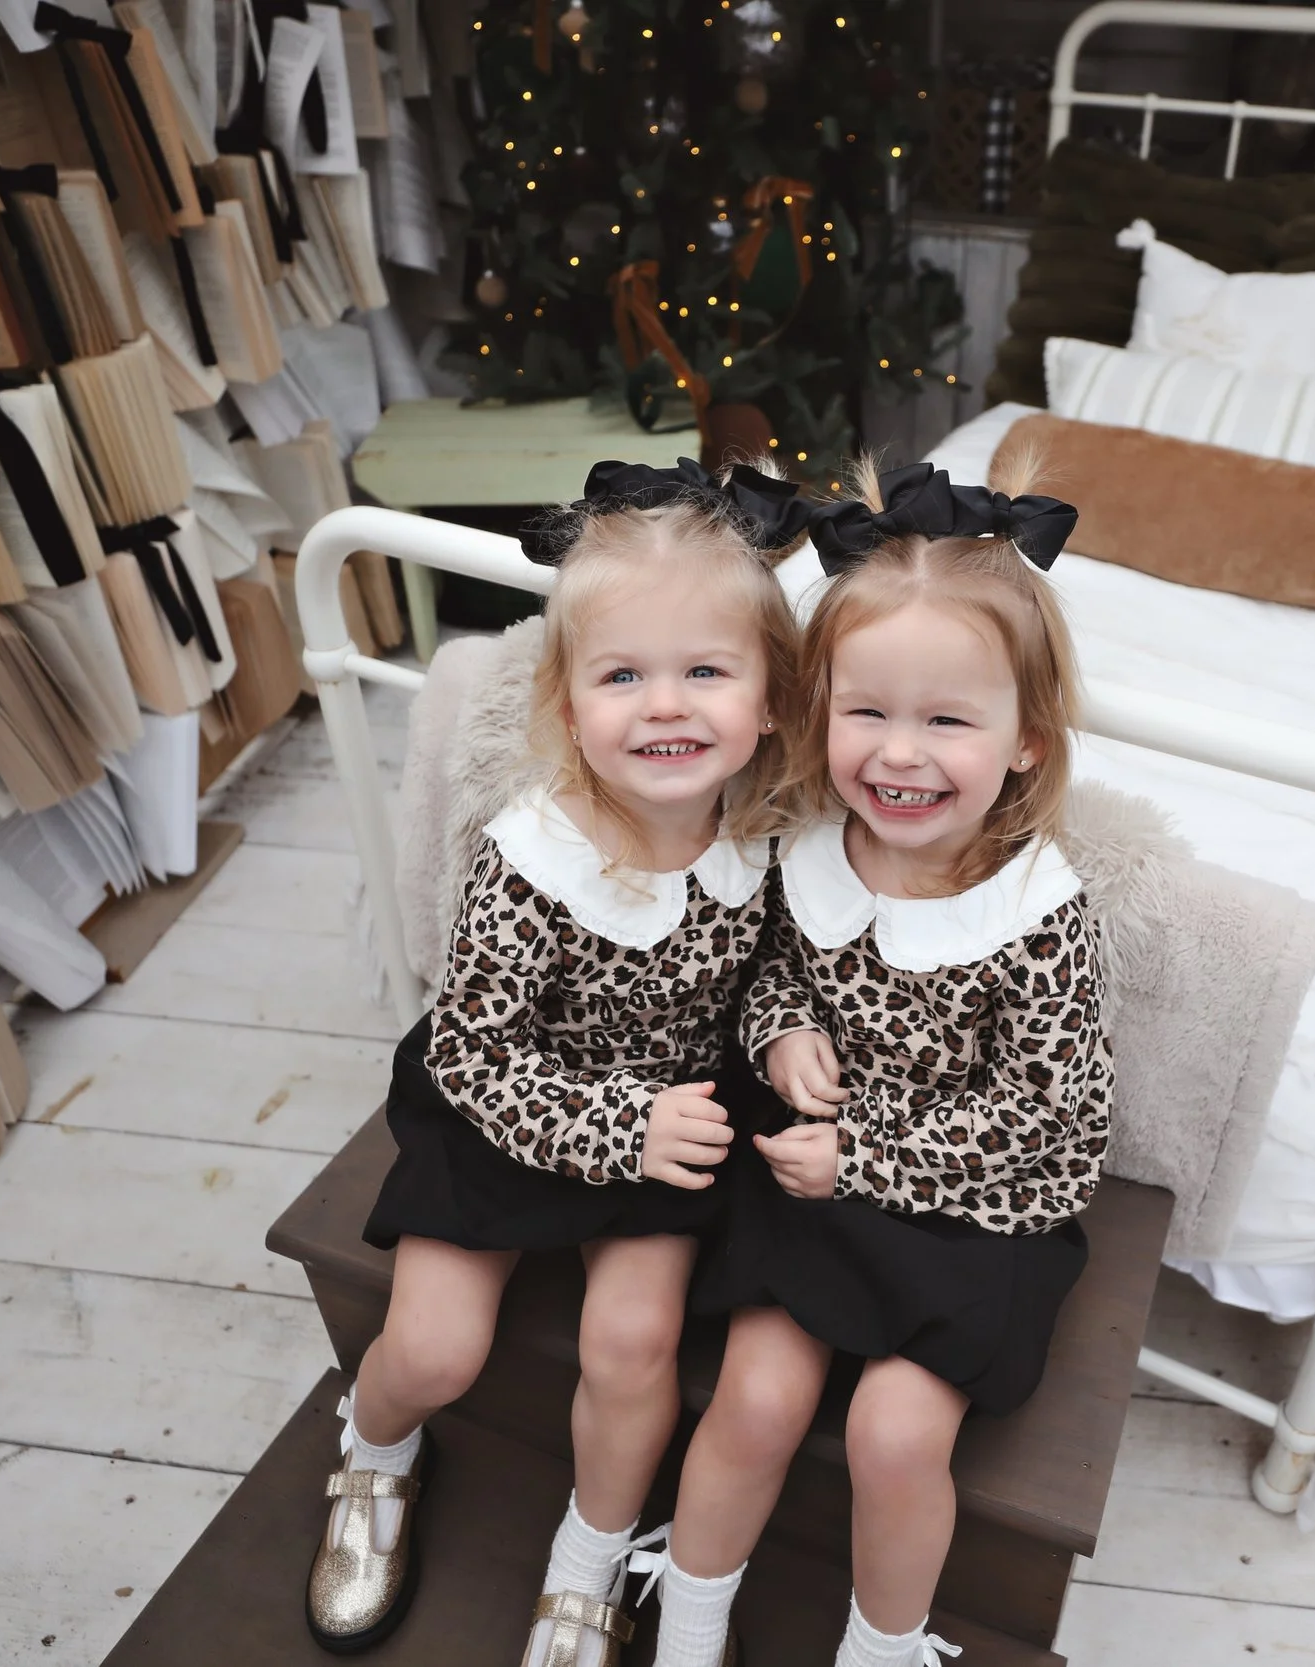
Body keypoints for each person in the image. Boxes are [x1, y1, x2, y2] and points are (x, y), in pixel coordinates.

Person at [307, 459, 808, 1663]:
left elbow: (779, 963)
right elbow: (473, 1048)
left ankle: (585, 1561)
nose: (664, 706)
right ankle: (372, 1453)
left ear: (772, 698)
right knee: (435, 1347)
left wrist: (784, 1026)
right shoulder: (531, 854)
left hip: (674, 1115)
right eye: (622, 675)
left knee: (631, 1341)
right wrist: (611, 1126)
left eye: (705, 671)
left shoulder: (763, 833)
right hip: (510, 1104)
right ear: (569, 701)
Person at [644, 450, 1113, 1667]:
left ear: (1023, 742)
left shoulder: (1040, 911)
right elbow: (778, 976)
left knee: (895, 1436)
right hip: (813, 1171)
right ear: (816, 715)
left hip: (971, 1200)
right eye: (867, 712)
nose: (899, 756)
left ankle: (882, 1644)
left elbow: (1053, 1114)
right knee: (754, 1398)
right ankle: (688, 1623)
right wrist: (783, 1033)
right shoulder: (815, 848)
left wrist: (867, 1154)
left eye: (948, 720)